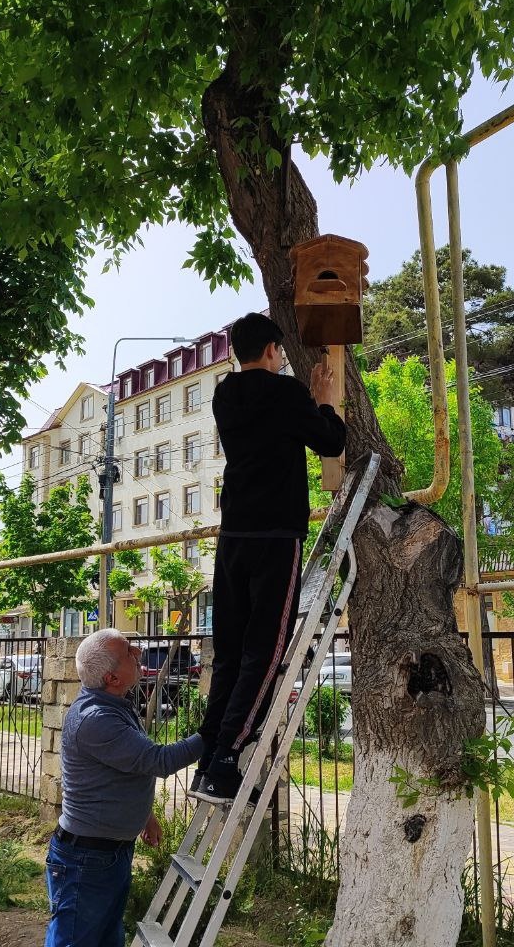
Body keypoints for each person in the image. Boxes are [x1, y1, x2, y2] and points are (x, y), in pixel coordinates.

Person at [193, 312, 346, 802]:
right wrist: (323, 402)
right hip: (276, 536)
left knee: (232, 655)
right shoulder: (285, 394)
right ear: (273, 351)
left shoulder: (223, 394)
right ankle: (226, 762)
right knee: (267, 652)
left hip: (233, 537)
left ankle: (207, 758)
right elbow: (331, 440)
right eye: (280, 353)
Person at [45, 628, 204, 947]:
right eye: (129, 652)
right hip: (86, 859)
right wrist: (217, 733)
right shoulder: (96, 718)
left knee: (106, 938)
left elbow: (123, 768)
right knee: (76, 941)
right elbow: (158, 760)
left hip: (107, 853)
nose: (139, 653)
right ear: (111, 678)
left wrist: (144, 815)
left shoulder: (115, 702)